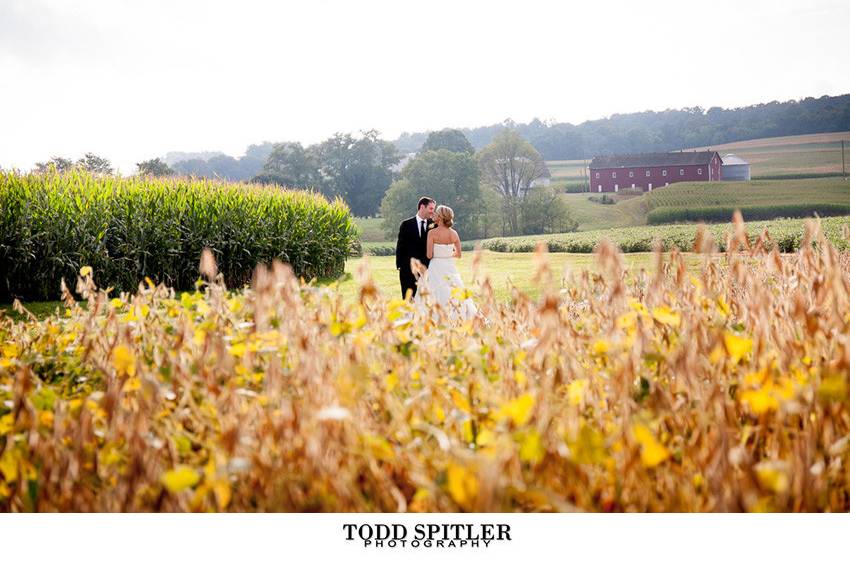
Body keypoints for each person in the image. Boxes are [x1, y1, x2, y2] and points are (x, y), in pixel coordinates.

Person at [413, 205, 477, 321]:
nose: (434, 215)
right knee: (455, 290)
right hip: (450, 266)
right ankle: (457, 316)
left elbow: (429, 255)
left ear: (440, 217)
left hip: (436, 266)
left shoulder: (432, 233)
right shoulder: (454, 234)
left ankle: (432, 317)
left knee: (433, 290)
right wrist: (447, 255)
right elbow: (458, 255)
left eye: (436, 213)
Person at [395, 196, 436, 299]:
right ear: (422, 207)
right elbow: (400, 246)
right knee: (408, 300)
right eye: (431, 208)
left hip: (427, 270)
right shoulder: (406, 224)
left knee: (426, 300)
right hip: (408, 270)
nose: (432, 212)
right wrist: (400, 265)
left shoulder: (434, 225)